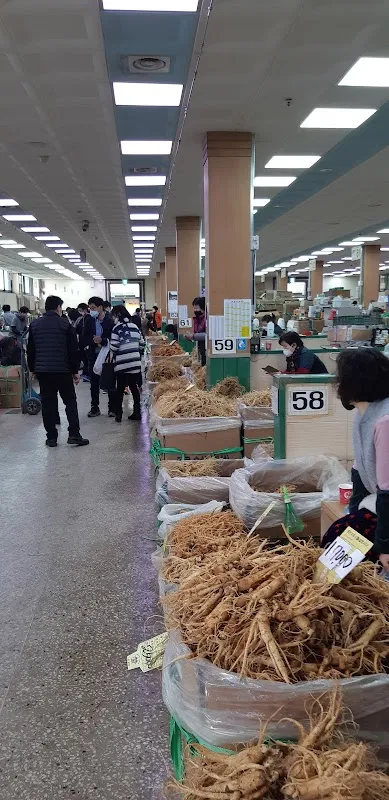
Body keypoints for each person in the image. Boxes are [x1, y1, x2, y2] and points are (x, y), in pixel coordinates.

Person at [322, 348, 389, 571]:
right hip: (378, 501)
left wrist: (385, 546)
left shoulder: (384, 421)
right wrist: (353, 512)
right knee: (338, 534)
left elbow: (388, 490)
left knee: (346, 550)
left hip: (386, 505)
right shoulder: (364, 414)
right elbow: (359, 470)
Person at [27, 296, 89, 448]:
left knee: (48, 404)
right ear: (58, 308)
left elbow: (31, 350)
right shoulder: (65, 324)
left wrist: (33, 369)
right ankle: (74, 434)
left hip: (43, 372)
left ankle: (51, 438)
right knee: (70, 402)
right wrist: (75, 371)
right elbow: (72, 350)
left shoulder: (34, 325)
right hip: (62, 371)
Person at [80, 296, 115, 417]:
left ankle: (112, 408)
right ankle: (94, 407)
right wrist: (93, 341)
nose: (91, 310)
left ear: (101, 307)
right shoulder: (89, 321)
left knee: (109, 381)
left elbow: (113, 338)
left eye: (94, 308)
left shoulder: (110, 321)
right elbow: (84, 337)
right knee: (93, 383)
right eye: (90, 308)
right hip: (93, 354)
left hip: (107, 355)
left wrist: (102, 341)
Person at [110, 305, 144, 422]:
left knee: (120, 388)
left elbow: (114, 347)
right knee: (134, 388)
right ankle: (137, 412)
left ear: (117, 315)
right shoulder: (135, 327)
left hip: (122, 363)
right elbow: (142, 344)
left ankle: (118, 414)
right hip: (135, 362)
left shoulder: (116, 329)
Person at [185, 296, 206, 366]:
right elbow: (197, 333)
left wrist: (193, 336)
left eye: (196, 308)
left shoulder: (207, 319)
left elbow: (207, 335)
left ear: (203, 308)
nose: (195, 310)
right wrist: (190, 336)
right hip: (201, 349)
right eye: (194, 308)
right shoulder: (197, 319)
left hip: (207, 350)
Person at [75, 303, 90, 381]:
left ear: (85, 309)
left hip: (87, 342)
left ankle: (87, 374)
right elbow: (75, 329)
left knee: (87, 359)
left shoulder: (90, 318)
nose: (80, 312)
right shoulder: (80, 319)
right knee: (84, 358)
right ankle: (86, 374)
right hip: (81, 342)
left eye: (81, 310)